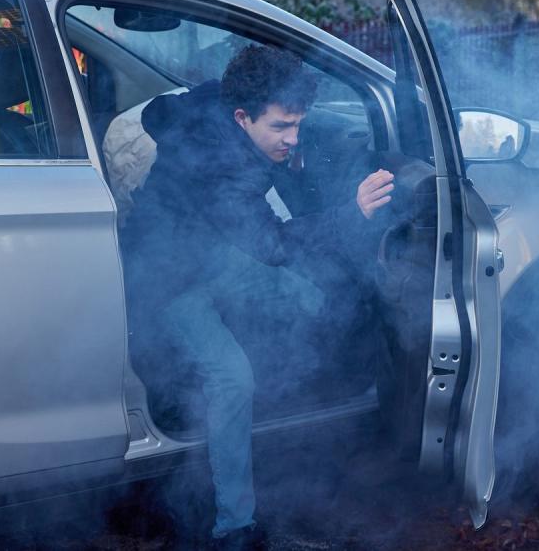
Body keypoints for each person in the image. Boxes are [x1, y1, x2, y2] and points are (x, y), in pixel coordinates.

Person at [121, 44, 394, 549]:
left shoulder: (213, 101)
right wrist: (352, 212)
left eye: (299, 125)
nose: (292, 139)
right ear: (243, 117)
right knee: (232, 377)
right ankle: (234, 527)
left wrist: (286, 153)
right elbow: (272, 244)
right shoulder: (222, 168)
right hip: (166, 279)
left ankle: (311, 400)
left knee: (308, 293)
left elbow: (166, 111)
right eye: (281, 128)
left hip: (206, 250)